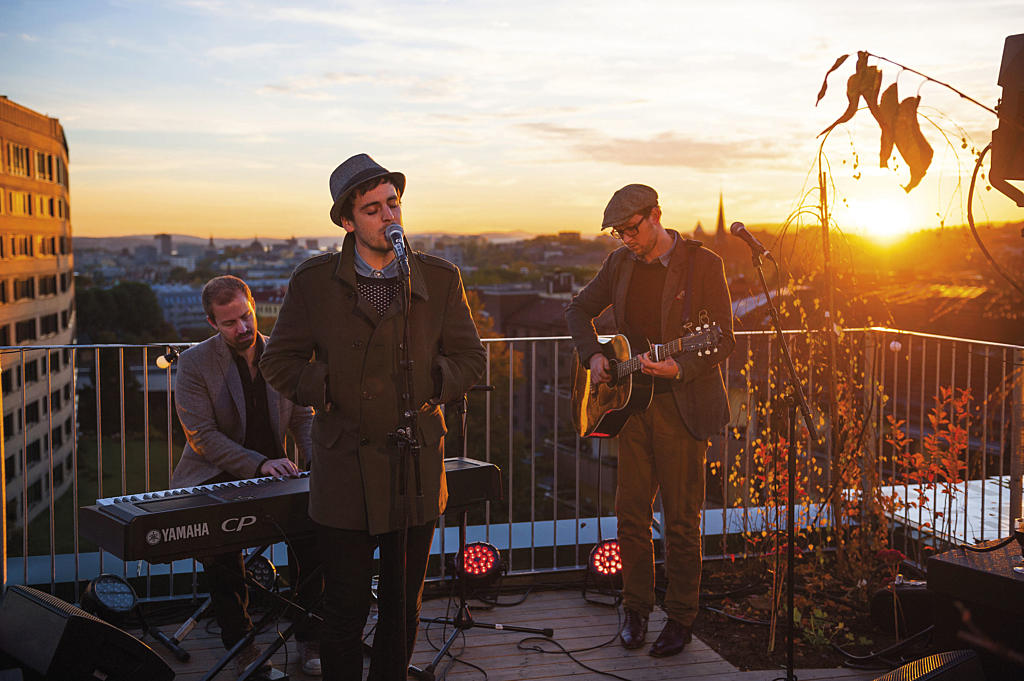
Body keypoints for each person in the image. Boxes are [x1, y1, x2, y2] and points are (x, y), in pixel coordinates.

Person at [260, 153, 486, 681]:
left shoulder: (439, 277)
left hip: (415, 465)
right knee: (344, 605)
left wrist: (432, 384)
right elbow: (278, 361)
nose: (389, 216)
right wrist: (331, 389)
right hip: (344, 466)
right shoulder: (314, 281)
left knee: (403, 606)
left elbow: (471, 358)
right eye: (373, 209)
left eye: (393, 203)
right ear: (347, 220)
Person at [565, 184, 734, 658]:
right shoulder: (620, 264)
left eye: (632, 230)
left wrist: (681, 366)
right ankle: (636, 608)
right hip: (632, 407)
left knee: (681, 521)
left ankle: (680, 618)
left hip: (681, 407)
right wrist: (593, 354)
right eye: (619, 234)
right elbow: (577, 309)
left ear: (656, 215)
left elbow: (723, 337)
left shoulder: (704, 264)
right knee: (631, 516)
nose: (627, 240)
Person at [171, 275, 323, 677]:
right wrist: (258, 464)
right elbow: (202, 437)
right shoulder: (194, 363)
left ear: (253, 306)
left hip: (278, 472)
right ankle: (241, 645)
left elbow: (304, 417)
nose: (242, 328)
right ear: (212, 323)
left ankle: (310, 636)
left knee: (315, 533)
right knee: (222, 554)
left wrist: (316, 464)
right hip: (215, 475)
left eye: (246, 316)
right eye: (230, 322)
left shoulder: (282, 356)